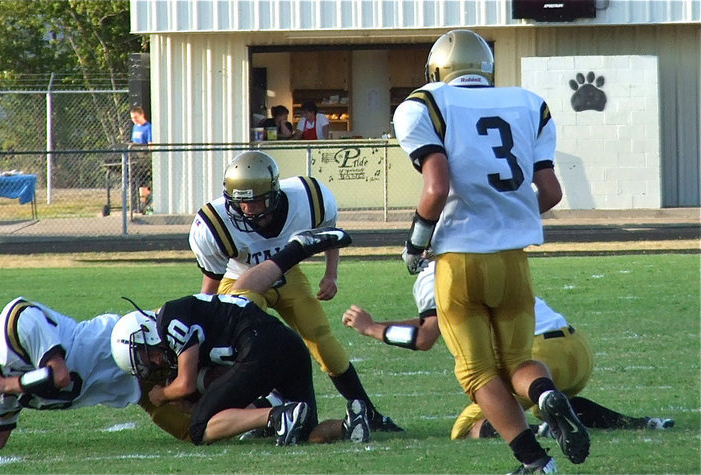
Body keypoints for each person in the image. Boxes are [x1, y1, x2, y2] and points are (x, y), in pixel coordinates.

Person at [393, 29, 586, 473]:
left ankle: (535, 462)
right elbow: (551, 191)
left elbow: (436, 186)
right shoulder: (526, 102)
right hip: (512, 260)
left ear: (438, 69)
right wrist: (504, 217)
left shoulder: (425, 103)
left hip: (459, 262)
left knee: (477, 373)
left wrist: (414, 244)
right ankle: (546, 394)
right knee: (519, 361)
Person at [188, 150, 401, 433]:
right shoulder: (214, 224)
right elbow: (210, 283)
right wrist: (209, 320)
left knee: (323, 341)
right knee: (251, 341)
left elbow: (330, 233)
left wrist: (331, 274)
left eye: (255, 202)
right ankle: (263, 410)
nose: (247, 211)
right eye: (241, 203)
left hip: (288, 278)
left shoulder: (309, 198)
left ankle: (367, 411)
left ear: (274, 194)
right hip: (240, 282)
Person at [342, 261, 676, 440]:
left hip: (535, 356)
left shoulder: (434, 272)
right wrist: (380, 322)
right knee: (545, 402)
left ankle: (542, 433)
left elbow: (426, 337)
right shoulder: (488, 254)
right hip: (575, 350)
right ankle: (637, 423)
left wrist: (372, 329)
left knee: (465, 428)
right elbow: (441, 319)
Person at [111, 227, 370, 446]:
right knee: (305, 431)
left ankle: (277, 415)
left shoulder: (170, 321)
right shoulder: (193, 318)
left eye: (147, 354)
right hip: (287, 346)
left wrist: (164, 395)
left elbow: (186, 384)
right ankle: (349, 424)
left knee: (199, 428)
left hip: (259, 348)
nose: (155, 360)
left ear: (143, 330)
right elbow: (217, 381)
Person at [0, 300, 195, 453]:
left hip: (135, 347)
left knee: (209, 367)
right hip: (136, 389)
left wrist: (7, 385)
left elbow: (59, 376)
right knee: (194, 431)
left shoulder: (16, 326)